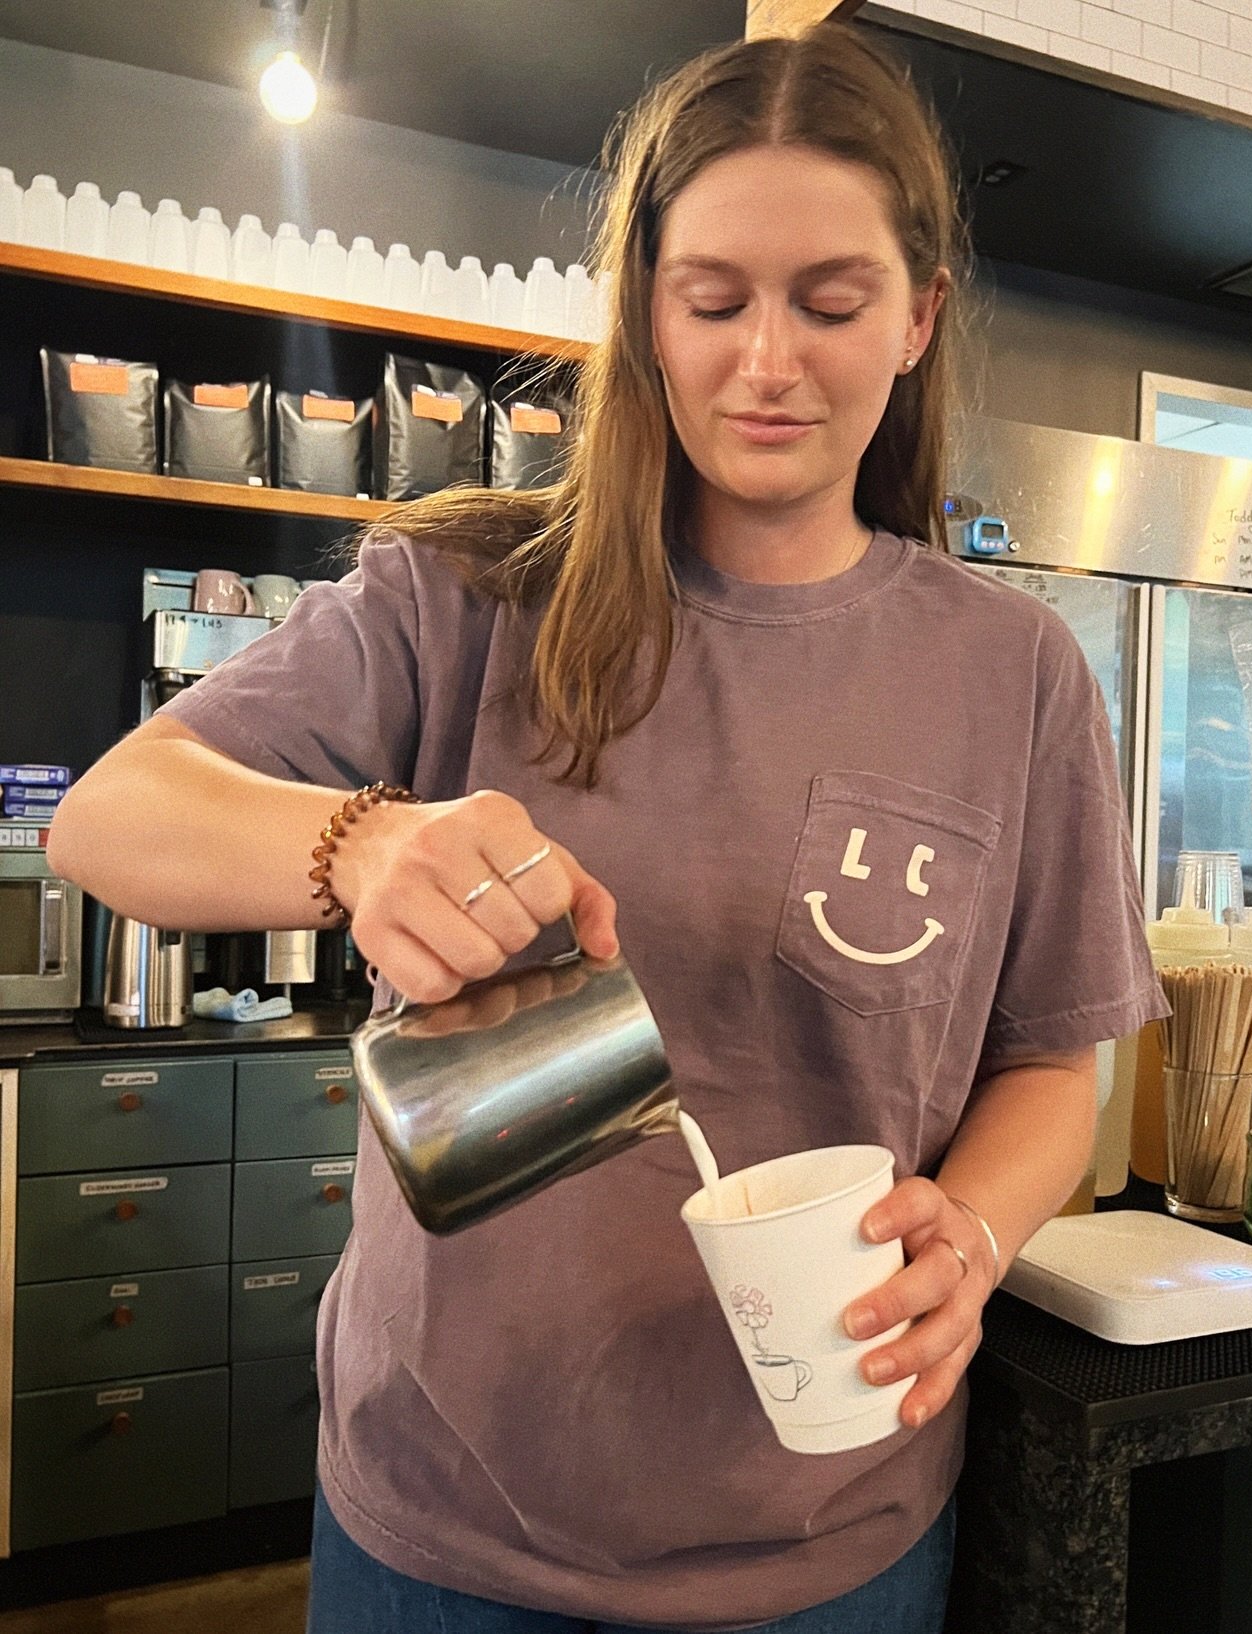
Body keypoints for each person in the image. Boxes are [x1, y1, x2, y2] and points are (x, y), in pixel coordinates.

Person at [48, 23, 1166, 1634]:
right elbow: (109, 816)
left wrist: (976, 1231)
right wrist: (360, 843)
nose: (767, 360)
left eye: (831, 302)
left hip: (827, 1543)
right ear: (646, 312)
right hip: (441, 1532)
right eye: (713, 301)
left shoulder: (1014, 675)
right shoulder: (468, 595)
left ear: (919, 316)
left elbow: (1057, 1062)